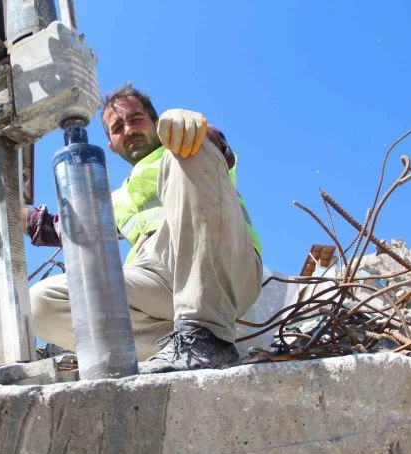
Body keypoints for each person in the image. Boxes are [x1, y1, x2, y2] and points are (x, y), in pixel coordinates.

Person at [23, 84, 262, 372]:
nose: (129, 130)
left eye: (136, 119)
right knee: (41, 303)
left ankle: (207, 334)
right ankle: (179, 346)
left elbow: (214, 146)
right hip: (154, 280)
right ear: (111, 145)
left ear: (157, 123)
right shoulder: (117, 197)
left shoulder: (184, 152)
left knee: (187, 149)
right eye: (118, 127)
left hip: (225, 267)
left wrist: (190, 126)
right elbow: (56, 227)